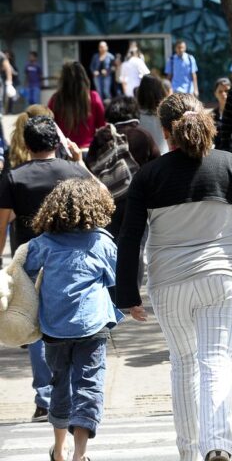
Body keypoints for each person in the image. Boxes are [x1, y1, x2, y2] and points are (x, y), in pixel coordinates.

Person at [115, 93, 232, 461]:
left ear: (163, 131)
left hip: (169, 284)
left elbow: (130, 237)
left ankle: (189, 453)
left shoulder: (149, 175)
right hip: (222, 278)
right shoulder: (231, 166)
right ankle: (217, 444)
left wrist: (126, 293)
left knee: (184, 363)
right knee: (216, 360)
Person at [25, 178, 135, 461]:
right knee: (89, 386)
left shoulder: (43, 243)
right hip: (92, 326)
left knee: (59, 383)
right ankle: (80, 455)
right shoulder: (101, 242)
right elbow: (118, 278)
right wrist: (132, 305)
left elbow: (23, 272)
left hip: (54, 328)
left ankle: (60, 450)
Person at [0, 114, 92, 425]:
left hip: (30, 259)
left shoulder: (13, 178)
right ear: (57, 142)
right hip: (70, 257)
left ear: (26, 144)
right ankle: (72, 394)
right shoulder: (72, 172)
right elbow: (102, 202)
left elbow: (1, 227)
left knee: (34, 327)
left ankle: (45, 397)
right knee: (69, 323)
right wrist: (79, 162)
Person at [84, 96, 160, 237]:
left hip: (109, 203)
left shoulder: (100, 137)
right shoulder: (142, 135)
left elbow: (89, 168)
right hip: (138, 202)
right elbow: (157, 168)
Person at [48, 61, 106, 148]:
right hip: (88, 151)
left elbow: (49, 126)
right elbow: (102, 126)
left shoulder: (55, 100)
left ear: (63, 80)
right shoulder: (93, 97)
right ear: (84, 78)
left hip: (64, 152)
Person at [135, 74, 171, 154]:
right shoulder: (168, 114)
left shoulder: (135, 116)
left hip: (145, 161)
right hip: (165, 157)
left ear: (141, 91)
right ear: (161, 91)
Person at [211, 77, 232, 150]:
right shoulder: (211, 116)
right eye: (220, 91)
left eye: (227, 91)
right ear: (215, 94)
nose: (224, 94)